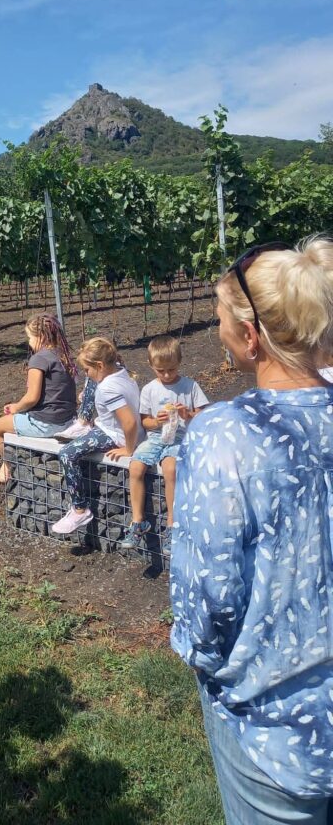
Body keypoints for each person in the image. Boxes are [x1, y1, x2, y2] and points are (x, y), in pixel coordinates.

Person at [170, 238, 333, 825]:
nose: (216, 329)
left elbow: (209, 598)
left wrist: (202, 659)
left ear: (250, 335)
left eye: (218, 317)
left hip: (274, 731)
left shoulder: (224, 434)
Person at [119, 335, 207, 555]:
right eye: (161, 371)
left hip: (180, 437)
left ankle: (172, 525)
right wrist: (157, 421)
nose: (167, 375)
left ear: (179, 362)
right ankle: (138, 521)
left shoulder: (190, 386)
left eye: (172, 369)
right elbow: (145, 422)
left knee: (170, 469)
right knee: (135, 467)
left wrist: (188, 414)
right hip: (157, 437)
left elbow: (204, 416)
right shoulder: (150, 389)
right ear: (151, 365)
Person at [52, 337, 141, 535]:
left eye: (87, 369)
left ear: (100, 365)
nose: (86, 374)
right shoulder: (120, 370)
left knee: (67, 454)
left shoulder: (108, 389)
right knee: (91, 384)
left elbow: (129, 422)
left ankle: (80, 510)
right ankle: (83, 423)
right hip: (120, 429)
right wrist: (88, 394)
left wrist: (128, 449)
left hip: (115, 434)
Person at [0, 314, 79, 483]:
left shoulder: (39, 359)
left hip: (47, 424)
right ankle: (5, 467)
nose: (29, 342)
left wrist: (16, 407)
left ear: (42, 337)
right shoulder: (63, 355)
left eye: (30, 337)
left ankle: (7, 468)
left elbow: (32, 397)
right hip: (68, 420)